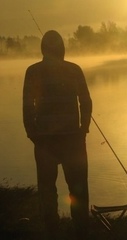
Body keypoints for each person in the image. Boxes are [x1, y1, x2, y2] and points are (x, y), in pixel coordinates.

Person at [23, 30, 92, 239]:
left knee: (47, 190)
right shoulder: (74, 69)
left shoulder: (33, 71)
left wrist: (33, 134)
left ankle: (52, 230)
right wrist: (83, 129)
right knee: (78, 189)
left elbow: (27, 107)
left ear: (43, 49)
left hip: (45, 141)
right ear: (62, 49)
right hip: (72, 139)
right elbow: (86, 102)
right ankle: (80, 231)